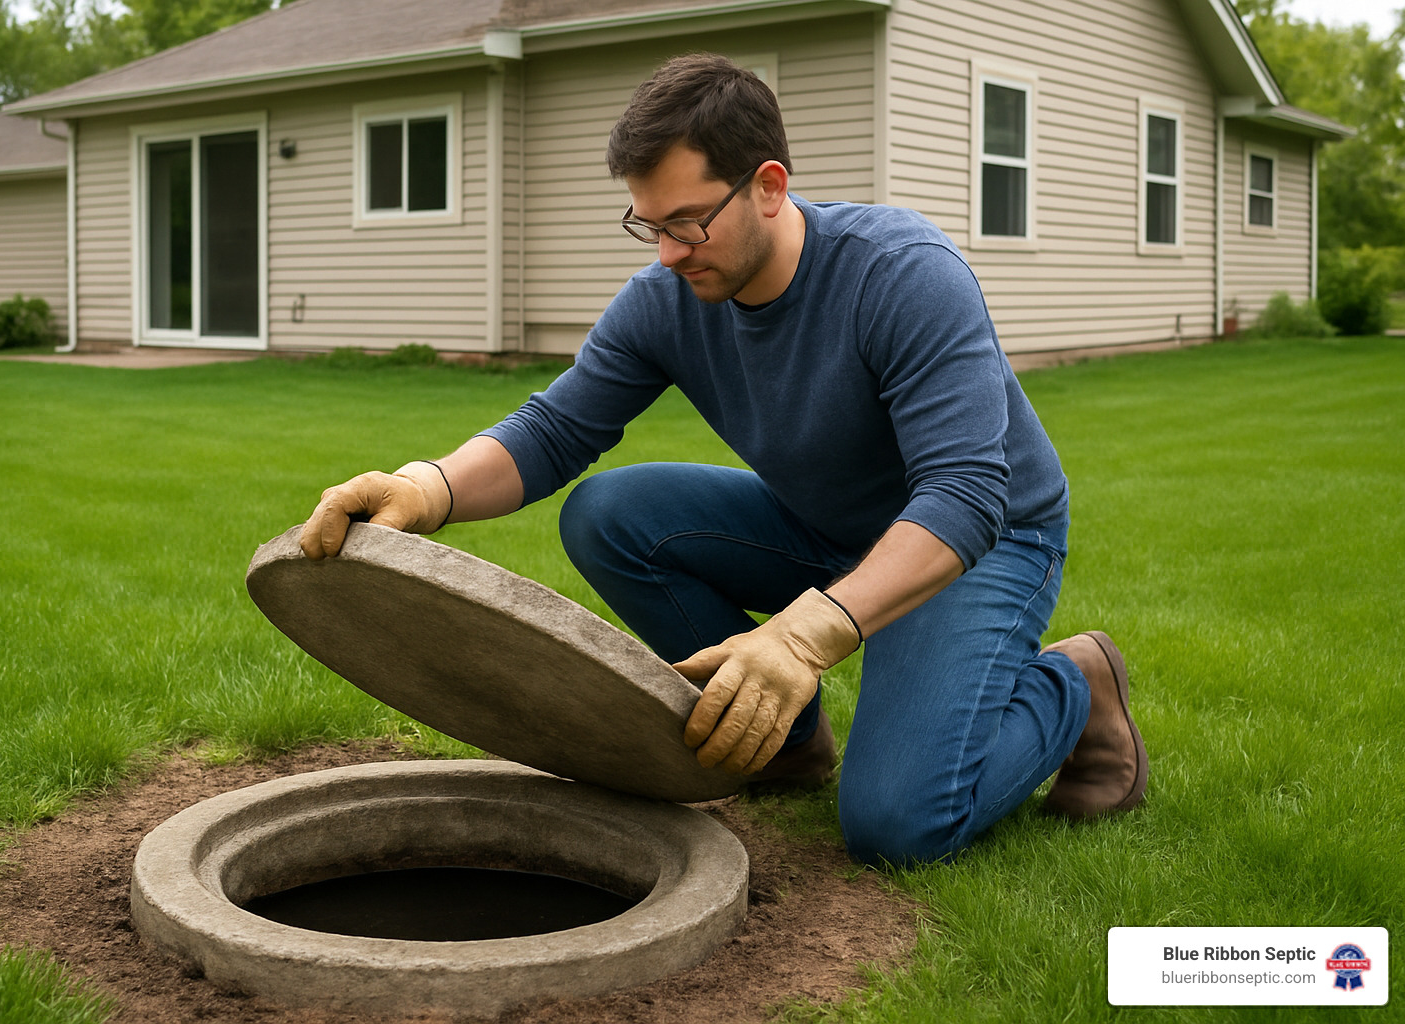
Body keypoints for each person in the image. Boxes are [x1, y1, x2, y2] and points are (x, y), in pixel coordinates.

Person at [298, 53, 1147, 865]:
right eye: (649, 225)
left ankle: (1076, 683)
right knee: (611, 515)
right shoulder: (668, 299)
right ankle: (786, 739)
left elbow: (965, 495)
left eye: (687, 221)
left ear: (769, 186)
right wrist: (421, 488)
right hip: (828, 528)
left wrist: (801, 637)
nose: (668, 252)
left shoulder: (902, 274)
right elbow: (554, 431)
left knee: (898, 823)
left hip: (985, 543)